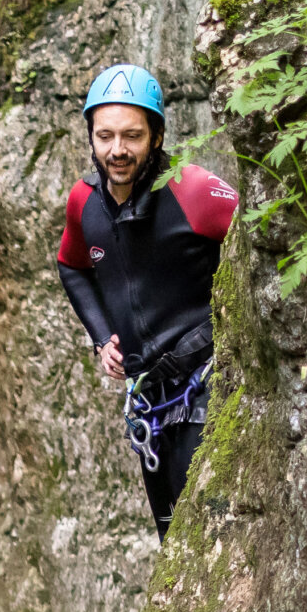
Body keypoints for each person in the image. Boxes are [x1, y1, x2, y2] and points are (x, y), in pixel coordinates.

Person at [54, 63, 240, 539]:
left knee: (206, 537)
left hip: (207, 385)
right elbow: (72, 266)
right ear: (91, 137)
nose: (117, 150)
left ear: (156, 137)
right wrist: (101, 339)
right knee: (171, 538)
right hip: (151, 403)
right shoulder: (84, 202)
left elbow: (265, 238)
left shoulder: (195, 190)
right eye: (105, 136)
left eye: (132, 136)